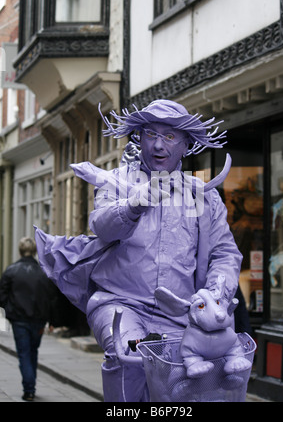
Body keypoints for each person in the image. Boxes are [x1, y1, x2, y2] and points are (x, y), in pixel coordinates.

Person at [35, 99, 243, 402]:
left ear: (185, 144)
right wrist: (135, 203)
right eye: (150, 134)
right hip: (120, 303)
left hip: (181, 314)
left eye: (169, 136)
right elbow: (103, 226)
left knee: (177, 389)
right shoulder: (117, 182)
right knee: (130, 359)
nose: (158, 145)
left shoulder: (202, 197)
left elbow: (224, 254)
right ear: (139, 138)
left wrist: (216, 292)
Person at [0, 237, 54, 401]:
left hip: (19, 319)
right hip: (38, 320)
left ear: (20, 251)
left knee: (24, 354)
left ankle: (29, 388)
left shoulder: (11, 270)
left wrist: (9, 310)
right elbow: (51, 298)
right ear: (35, 252)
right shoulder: (43, 272)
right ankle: (31, 386)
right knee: (32, 352)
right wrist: (51, 320)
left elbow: (2, 296)